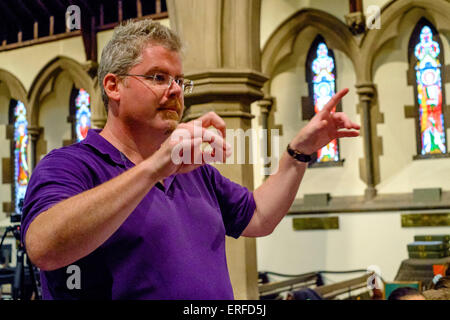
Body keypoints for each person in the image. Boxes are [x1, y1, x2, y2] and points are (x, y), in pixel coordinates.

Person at [20, 19, 360, 300]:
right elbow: (44, 247)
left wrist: (298, 152)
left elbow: (258, 216)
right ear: (113, 86)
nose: (176, 90)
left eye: (180, 81)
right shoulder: (71, 165)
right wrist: (155, 168)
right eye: (158, 77)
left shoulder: (192, 171)